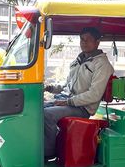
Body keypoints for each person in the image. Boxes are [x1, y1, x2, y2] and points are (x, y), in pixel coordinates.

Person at [44, 27, 114, 158]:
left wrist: (67, 101)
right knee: (34, 108)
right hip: (67, 101)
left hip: (82, 108)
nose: (84, 43)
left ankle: (48, 153)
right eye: (82, 39)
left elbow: (94, 94)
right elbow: (67, 85)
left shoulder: (102, 65)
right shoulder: (78, 61)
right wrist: (49, 88)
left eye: (88, 40)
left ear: (97, 42)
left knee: (46, 115)